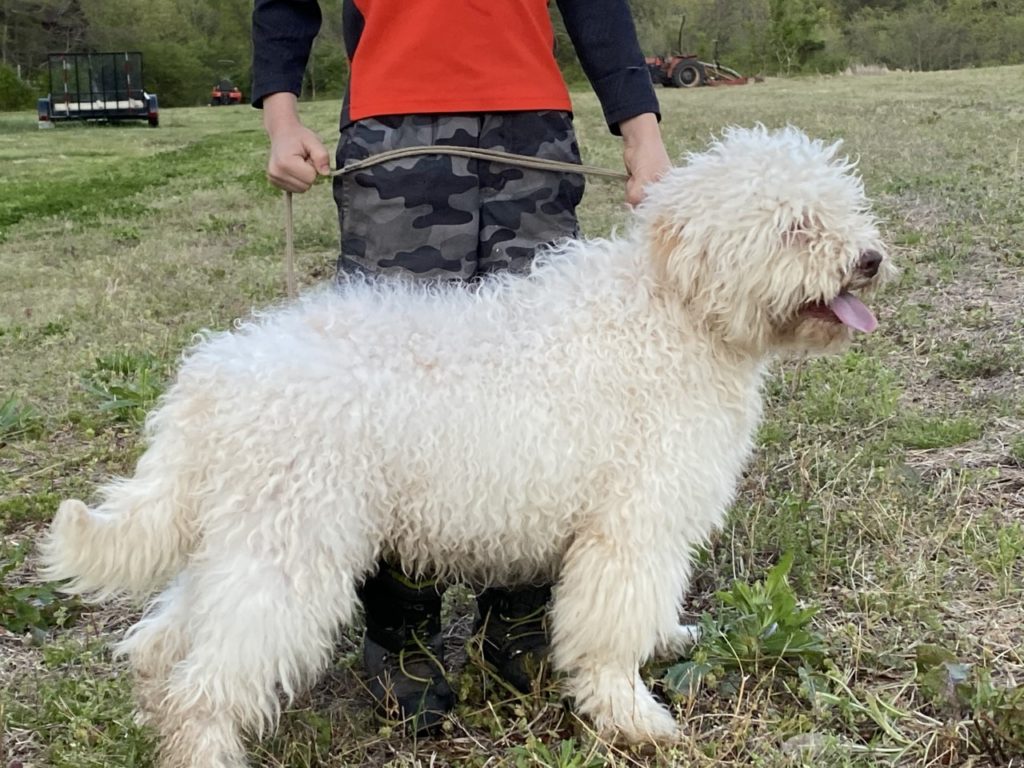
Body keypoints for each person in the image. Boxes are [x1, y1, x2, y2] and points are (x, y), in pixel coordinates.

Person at [251, 0, 671, 733]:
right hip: (396, 131)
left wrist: (641, 129)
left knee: (546, 386)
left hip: (532, 129)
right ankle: (402, 635)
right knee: (394, 393)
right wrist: (281, 118)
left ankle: (520, 620)